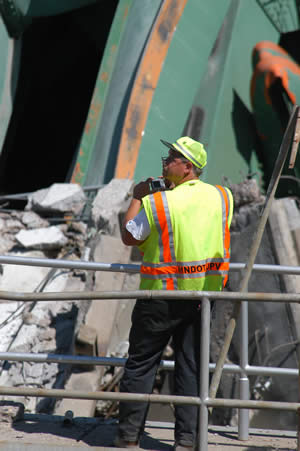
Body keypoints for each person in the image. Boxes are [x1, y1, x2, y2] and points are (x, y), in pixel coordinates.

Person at [114, 136, 233, 450]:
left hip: (160, 298)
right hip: (201, 299)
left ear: (188, 168)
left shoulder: (157, 202)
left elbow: (129, 236)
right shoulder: (223, 197)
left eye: (172, 157)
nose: (165, 161)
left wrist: (137, 197)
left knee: (140, 365)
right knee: (190, 367)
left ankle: (127, 437)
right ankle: (186, 441)